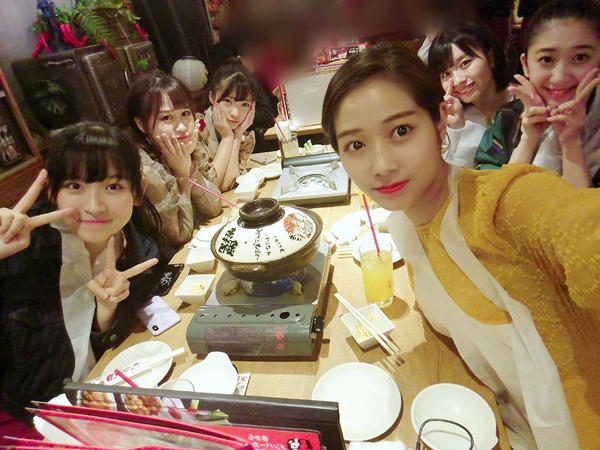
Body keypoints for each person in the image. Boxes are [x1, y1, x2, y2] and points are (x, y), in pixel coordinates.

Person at [321, 42, 600, 449]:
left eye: (401, 130)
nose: (382, 166)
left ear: (439, 122)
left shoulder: (502, 203)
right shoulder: (406, 224)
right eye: (356, 145)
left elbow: (582, 230)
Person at [0, 122, 162, 438]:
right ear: (52, 193)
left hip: (103, 408)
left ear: (138, 191)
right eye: (75, 185)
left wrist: (106, 314)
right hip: (27, 424)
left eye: (113, 186)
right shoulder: (19, 252)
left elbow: (105, 352)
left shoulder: (140, 255)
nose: (94, 206)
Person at [475, 0, 600, 188]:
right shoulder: (506, 120)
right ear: (526, 65)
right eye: (547, 59)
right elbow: (490, 197)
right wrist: (528, 138)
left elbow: (586, 208)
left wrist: (571, 144)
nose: (560, 77)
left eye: (580, 57)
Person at [127, 73, 222, 255]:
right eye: (166, 118)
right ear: (141, 124)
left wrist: (190, 167)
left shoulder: (185, 146)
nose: (181, 127)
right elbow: (179, 236)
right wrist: (181, 176)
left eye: (185, 113)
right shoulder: (146, 168)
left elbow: (214, 206)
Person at [428, 21, 512, 168]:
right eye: (446, 74)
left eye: (465, 63)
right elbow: (453, 176)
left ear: (490, 58)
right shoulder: (455, 117)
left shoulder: (524, 101)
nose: (457, 80)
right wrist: (456, 129)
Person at [199, 58, 257, 191]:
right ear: (212, 98)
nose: (235, 113)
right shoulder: (196, 130)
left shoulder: (245, 137)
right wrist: (227, 138)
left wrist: (235, 137)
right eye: (227, 101)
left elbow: (228, 184)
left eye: (244, 104)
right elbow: (211, 188)